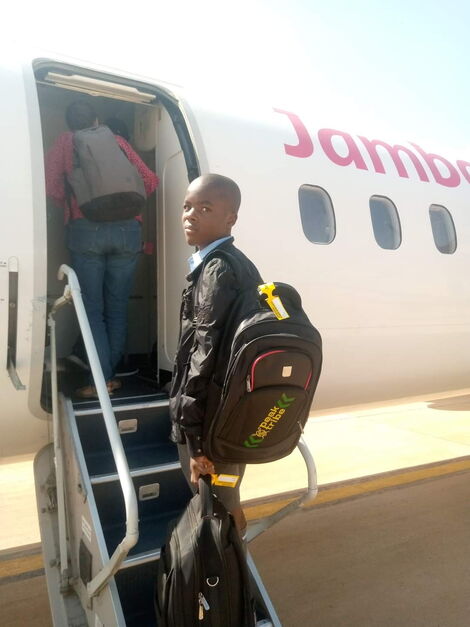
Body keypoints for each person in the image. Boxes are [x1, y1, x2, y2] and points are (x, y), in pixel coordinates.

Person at [169, 173, 262, 536]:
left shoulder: (216, 270)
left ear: (230, 219)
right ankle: (230, 570)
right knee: (227, 499)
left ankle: (222, 581)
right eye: (187, 207)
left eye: (205, 209)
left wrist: (195, 442)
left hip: (210, 427)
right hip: (229, 415)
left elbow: (202, 356)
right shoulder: (239, 263)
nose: (191, 216)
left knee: (215, 507)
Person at [45, 99, 158, 398]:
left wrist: (75, 205)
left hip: (86, 231)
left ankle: (101, 380)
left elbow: (52, 186)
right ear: (96, 120)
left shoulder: (64, 143)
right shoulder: (117, 140)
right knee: (118, 306)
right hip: (127, 231)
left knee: (92, 308)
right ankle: (109, 374)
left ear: (69, 122)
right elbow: (150, 180)